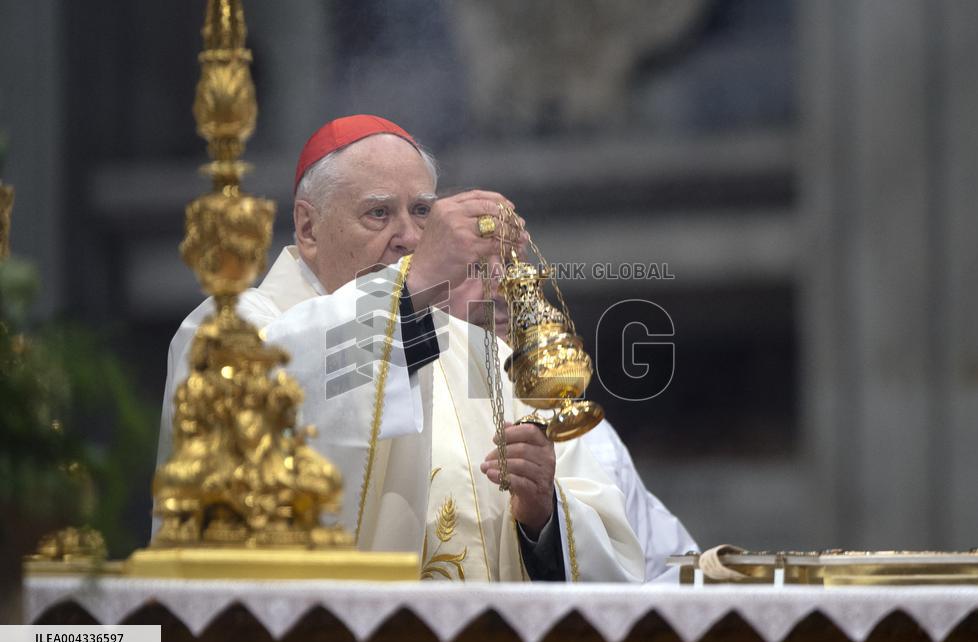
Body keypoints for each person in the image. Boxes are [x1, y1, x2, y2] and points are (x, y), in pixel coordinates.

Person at [156, 115, 645, 582]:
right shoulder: (229, 328)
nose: (410, 239)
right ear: (308, 229)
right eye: (378, 213)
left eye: (422, 213)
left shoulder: (482, 353)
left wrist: (543, 519)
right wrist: (415, 284)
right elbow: (266, 410)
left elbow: (613, 545)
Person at [446, 263, 699, 582]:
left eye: (509, 267)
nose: (499, 287)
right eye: (473, 266)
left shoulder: (590, 440)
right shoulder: (399, 414)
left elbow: (666, 573)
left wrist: (546, 520)